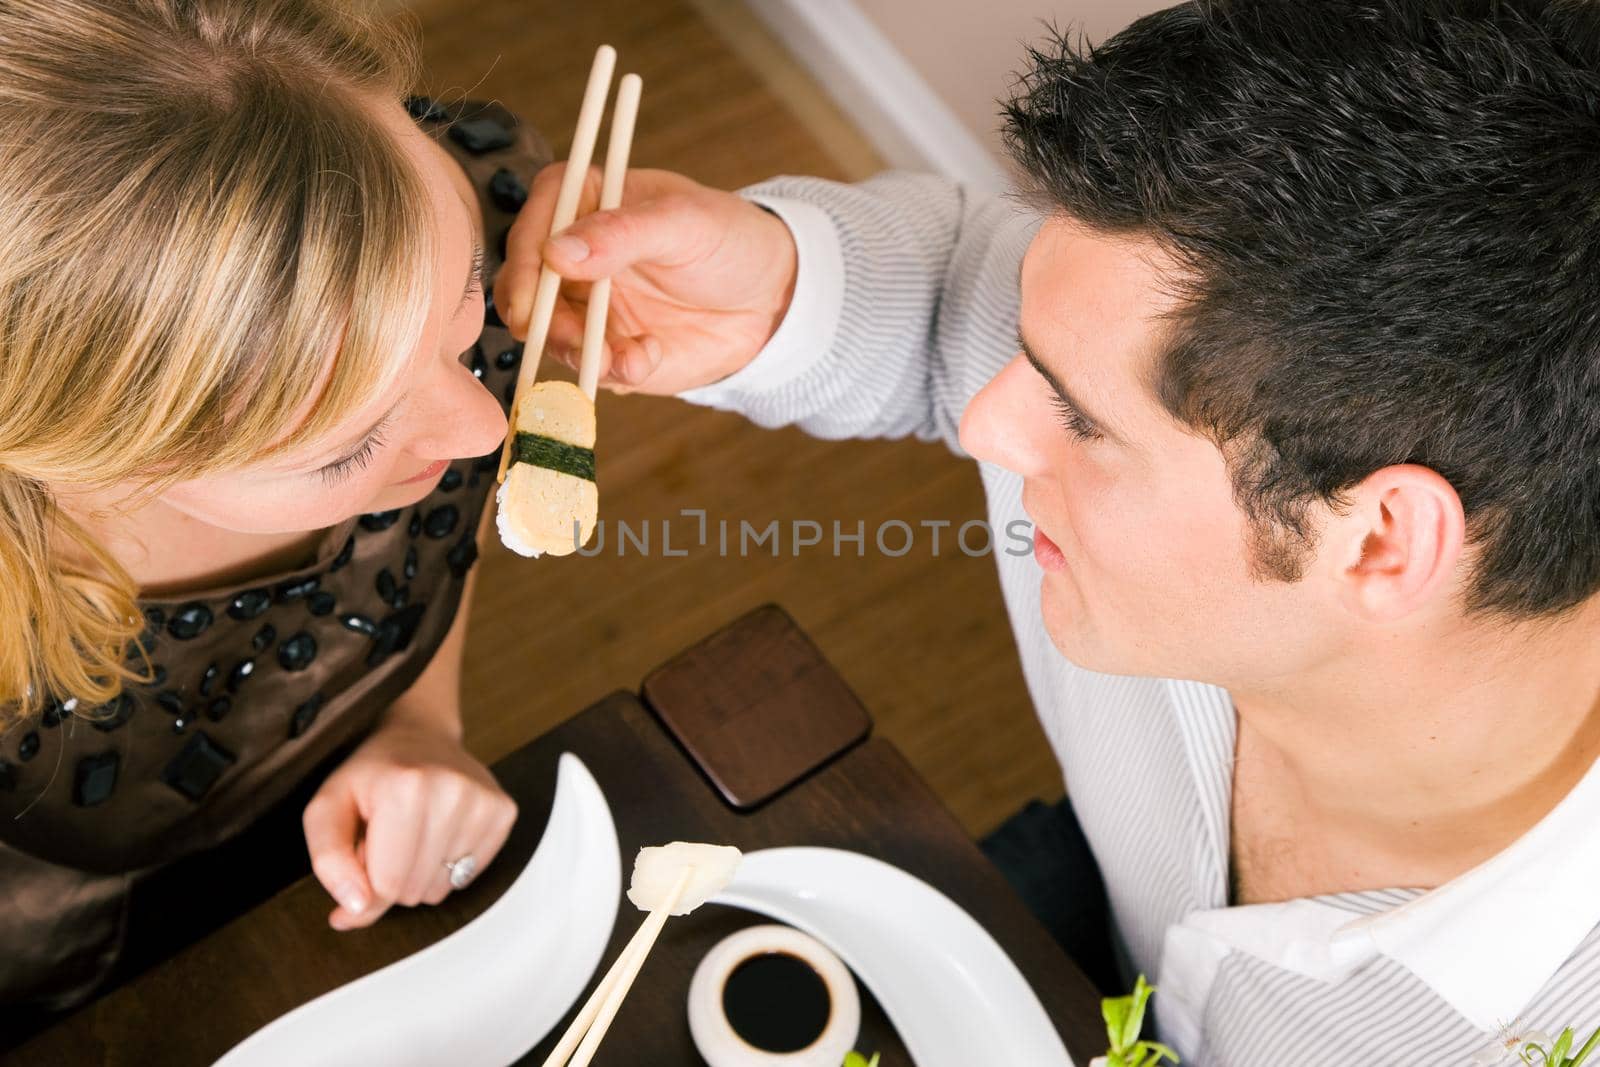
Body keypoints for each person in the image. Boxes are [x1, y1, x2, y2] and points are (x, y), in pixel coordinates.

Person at [497, 0, 1600, 1062]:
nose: (985, 422)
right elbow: (956, 290)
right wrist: (784, 285)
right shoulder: (1230, 429)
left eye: (1078, 414)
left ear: (1379, 542)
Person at [0, 0, 536, 1019]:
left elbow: (427, 540)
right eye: (353, 444)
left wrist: (422, 720)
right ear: (87, 459)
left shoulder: (461, 218)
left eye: (464, 315)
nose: (479, 429)